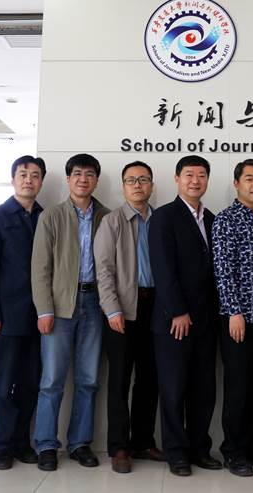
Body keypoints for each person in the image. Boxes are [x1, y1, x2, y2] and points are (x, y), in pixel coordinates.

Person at [31, 153, 109, 471]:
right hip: (60, 305)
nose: (83, 179)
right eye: (77, 173)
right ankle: (46, 445)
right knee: (52, 380)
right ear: (68, 179)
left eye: (89, 174)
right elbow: (40, 267)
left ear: (96, 180)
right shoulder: (52, 215)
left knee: (88, 379)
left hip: (95, 304)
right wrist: (44, 309)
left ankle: (79, 443)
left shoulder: (106, 216)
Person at [149, 155, 221, 477]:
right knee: (174, 388)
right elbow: (163, 269)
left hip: (206, 320)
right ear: (177, 179)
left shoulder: (213, 219)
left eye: (201, 175)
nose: (195, 180)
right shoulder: (164, 217)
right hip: (174, 321)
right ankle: (176, 452)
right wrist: (178, 311)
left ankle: (199, 449)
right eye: (189, 174)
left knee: (204, 388)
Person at [94, 161, 165, 474]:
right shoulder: (112, 221)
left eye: (143, 179)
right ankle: (119, 447)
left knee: (150, 378)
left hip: (156, 309)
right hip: (122, 309)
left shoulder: (160, 220)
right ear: (124, 186)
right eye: (131, 180)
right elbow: (104, 269)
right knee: (120, 379)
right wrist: (111, 309)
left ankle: (143, 441)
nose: (138, 185)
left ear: (151, 185)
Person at [212, 159, 253, 477]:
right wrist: (234, 311)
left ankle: (252, 444)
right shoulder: (226, 220)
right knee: (238, 387)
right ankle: (233, 450)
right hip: (239, 319)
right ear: (237, 183)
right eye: (250, 178)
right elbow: (222, 270)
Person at [0, 156, 46, 470]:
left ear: (41, 181)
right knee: (4, 384)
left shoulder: (46, 217)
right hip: (7, 316)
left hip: (41, 316)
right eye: (23, 174)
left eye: (35, 175)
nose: (28, 180)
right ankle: (2, 446)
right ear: (13, 179)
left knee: (31, 383)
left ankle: (22, 443)